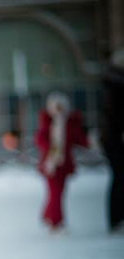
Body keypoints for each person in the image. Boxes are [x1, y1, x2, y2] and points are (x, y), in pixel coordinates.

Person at [35, 92, 90, 232]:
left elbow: (79, 139)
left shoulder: (70, 123)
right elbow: (40, 139)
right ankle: (55, 221)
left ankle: (49, 216)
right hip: (50, 164)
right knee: (55, 193)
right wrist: (50, 149)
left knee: (58, 193)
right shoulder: (47, 122)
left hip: (64, 165)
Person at [102, 51, 124, 233]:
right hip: (115, 140)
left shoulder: (112, 88)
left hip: (113, 139)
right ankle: (116, 219)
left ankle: (117, 218)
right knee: (119, 178)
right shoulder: (115, 89)